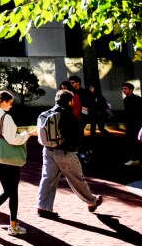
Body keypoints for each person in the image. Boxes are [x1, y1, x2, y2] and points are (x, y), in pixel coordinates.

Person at [37, 89, 103, 217]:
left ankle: (43, 207)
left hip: (48, 150)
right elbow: (75, 136)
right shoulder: (69, 115)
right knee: (77, 179)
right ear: (70, 101)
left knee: (47, 178)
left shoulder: (46, 114)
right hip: (65, 152)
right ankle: (91, 201)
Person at [0, 91, 30, 235]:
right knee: (11, 190)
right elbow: (12, 139)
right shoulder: (5, 117)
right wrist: (26, 135)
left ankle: (12, 224)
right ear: (2, 102)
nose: (11, 105)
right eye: (9, 102)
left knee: (10, 190)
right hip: (9, 156)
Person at [122, 82, 142, 166]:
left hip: (138, 124)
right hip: (130, 124)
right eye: (123, 89)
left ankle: (140, 160)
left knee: (139, 142)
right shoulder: (126, 100)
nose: (123, 90)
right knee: (131, 142)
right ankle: (134, 159)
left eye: (125, 88)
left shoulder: (138, 99)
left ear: (131, 90)